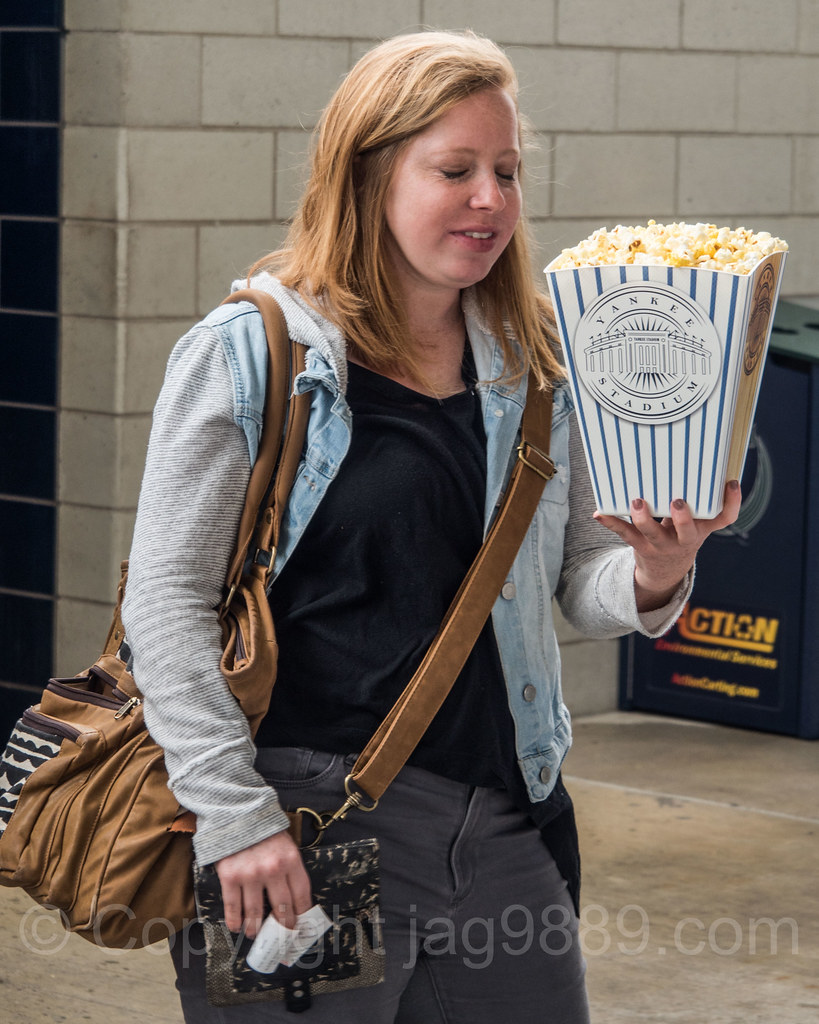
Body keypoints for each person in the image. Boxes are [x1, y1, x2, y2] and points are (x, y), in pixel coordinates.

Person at [122, 29, 740, 1024]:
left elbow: (579, 581)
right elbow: (165, 600)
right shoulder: (253, 353)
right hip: (311, 825)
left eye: (506, 170)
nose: (491, 198)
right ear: (369, 175)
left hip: (501, 818)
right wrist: (235, 820)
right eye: (456, 170)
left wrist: (659, 571)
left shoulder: (534, 358)